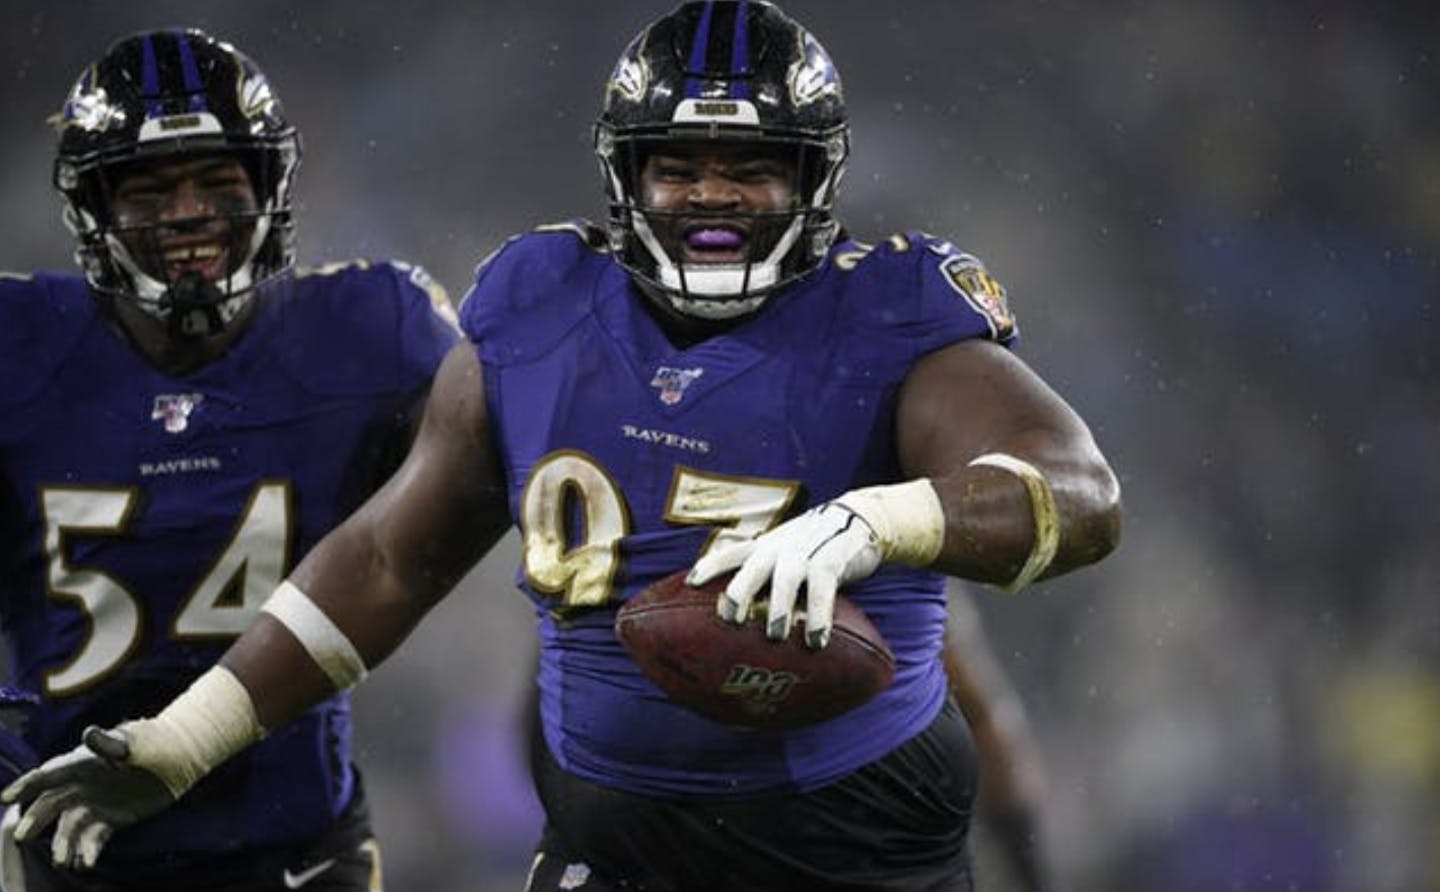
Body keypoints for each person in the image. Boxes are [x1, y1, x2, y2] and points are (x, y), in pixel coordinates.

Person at [4, 4, 1122, 890]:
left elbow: (1079, 492)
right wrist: (188, 737)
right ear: (626, 175)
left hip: (851, 830)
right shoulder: (538, 303)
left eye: (751, 167)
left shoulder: (890, 311)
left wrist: (881, 518)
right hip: (612, 833)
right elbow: (394, 556)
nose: (712, 197)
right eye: (678, 166)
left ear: (813, 178)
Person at [0, 28, 459, 891]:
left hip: (295, 848)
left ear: (270, 187)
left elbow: (521, 460)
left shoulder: (373, 330)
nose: (189, 215)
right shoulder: (18, 347)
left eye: (218, 183)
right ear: (93, 209)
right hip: (70, 842)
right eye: (149, 190)